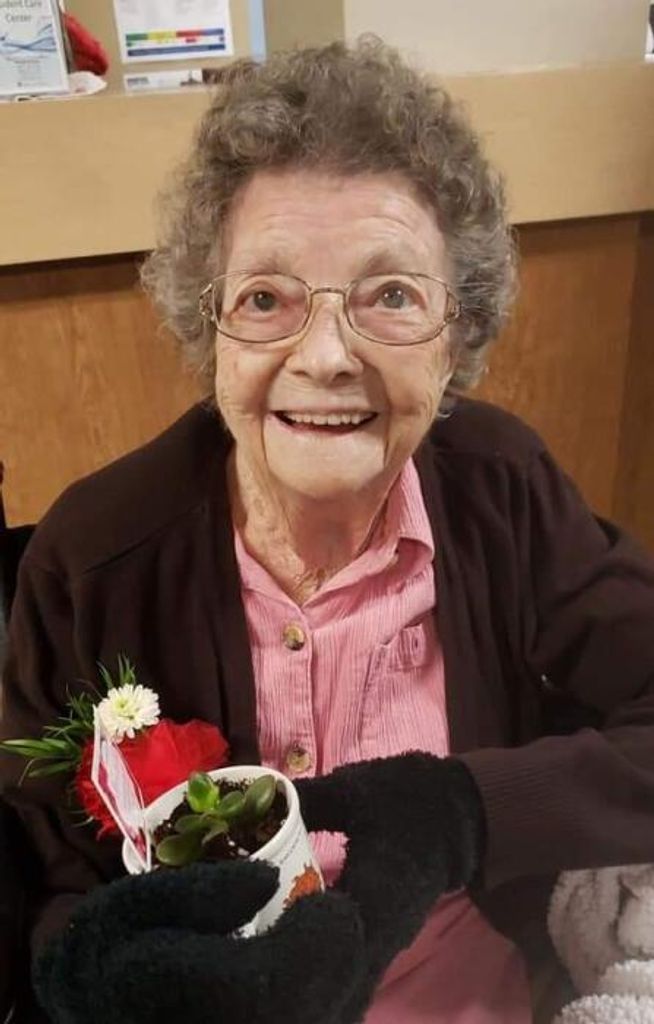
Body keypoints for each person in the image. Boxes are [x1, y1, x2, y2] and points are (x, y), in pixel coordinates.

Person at [2, 37, 654, 1024]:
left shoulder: (504, 492)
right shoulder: (93, 557)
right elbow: (39, 870)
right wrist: (109, 973)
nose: (326, 356)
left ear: (457, 334)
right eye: (267, 298)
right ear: (210, 331)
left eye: (391, 296)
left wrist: (466, 810)